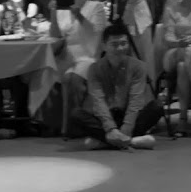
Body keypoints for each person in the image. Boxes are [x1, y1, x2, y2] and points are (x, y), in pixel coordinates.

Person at [69, 22, 161, 150]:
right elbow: (98, 101)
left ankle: (106, 141)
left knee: (157, 107)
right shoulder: (94, 69)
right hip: (106, 117)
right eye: (114, 44)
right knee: (76, 114)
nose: (120, 48)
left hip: (129, 116)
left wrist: (126, 129)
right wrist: (111, 129)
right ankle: (132, 141)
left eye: (124, 43)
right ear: (104, 46)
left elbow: (135, 100)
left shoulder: (138, 67)